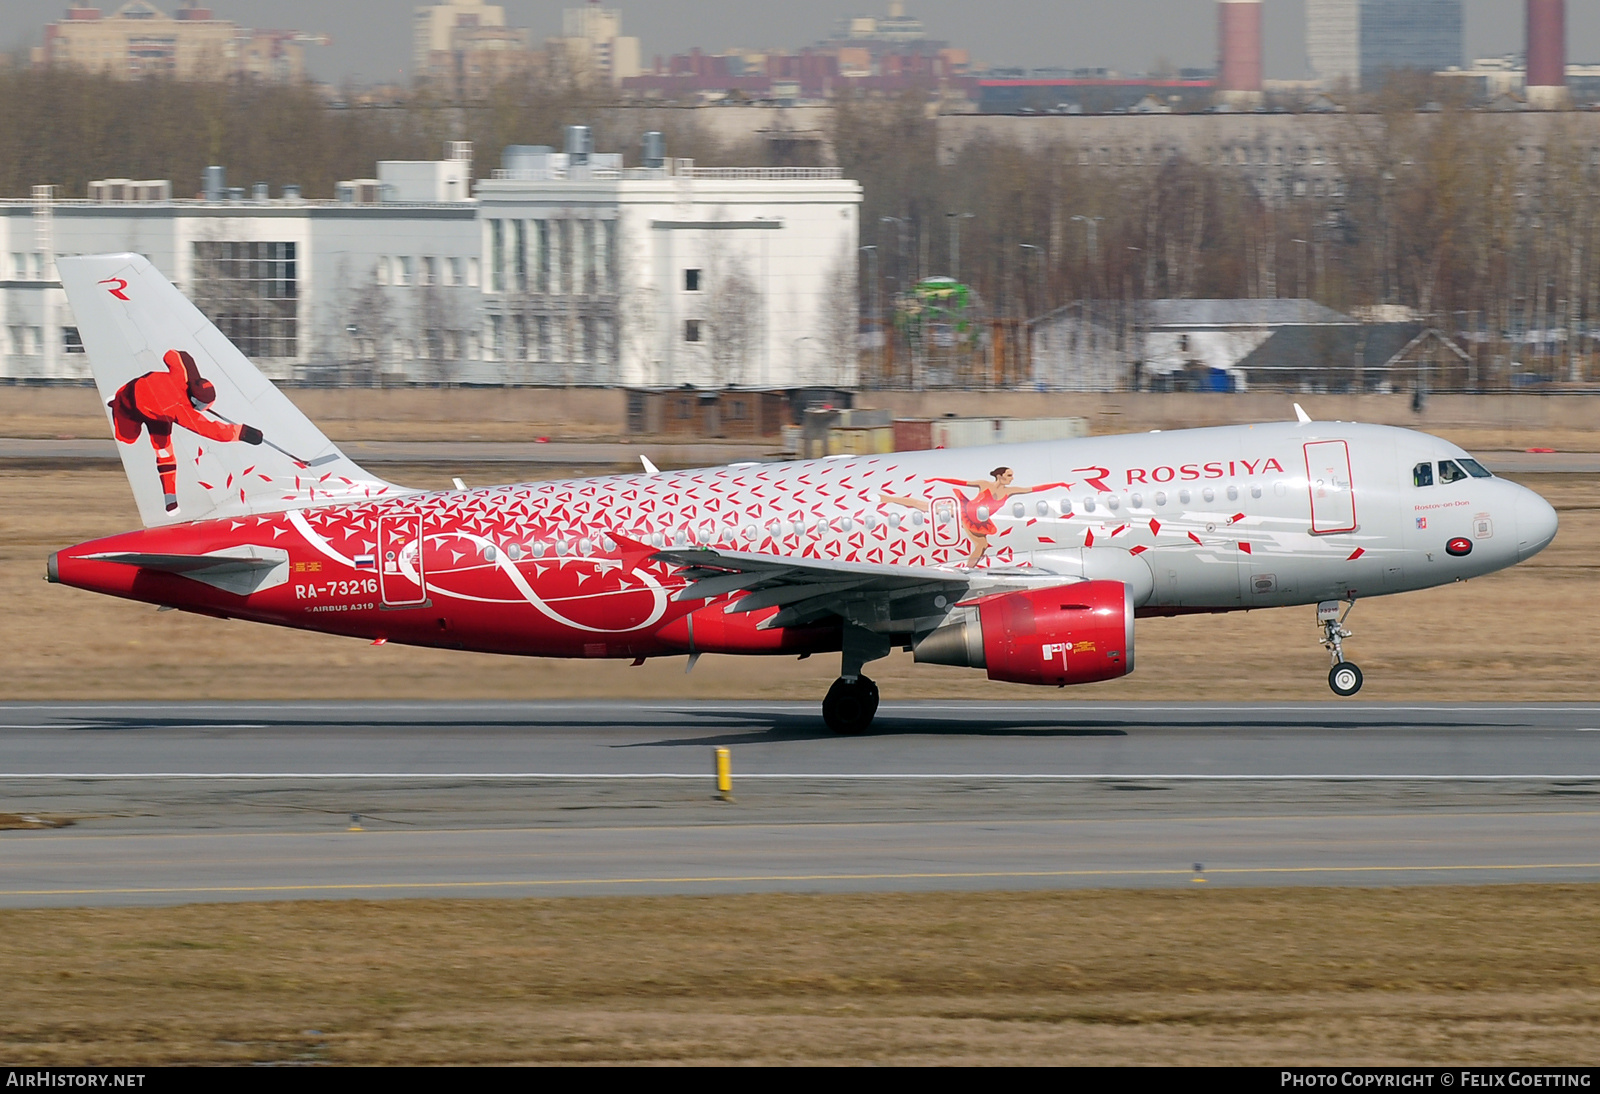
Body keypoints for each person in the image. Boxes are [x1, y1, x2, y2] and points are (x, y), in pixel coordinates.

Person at [110, 348, 263, 512]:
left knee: (164, 453)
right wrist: (242, 432)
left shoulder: (183, 374)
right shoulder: (182, 411)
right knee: (128, 439)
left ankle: (170, 499)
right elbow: (213, 431)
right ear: (195, 400)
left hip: (159, 415)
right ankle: (114, 403)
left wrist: (192, 373)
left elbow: (171, 355)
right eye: (202, 406)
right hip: (129, 402)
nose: (202, 409)